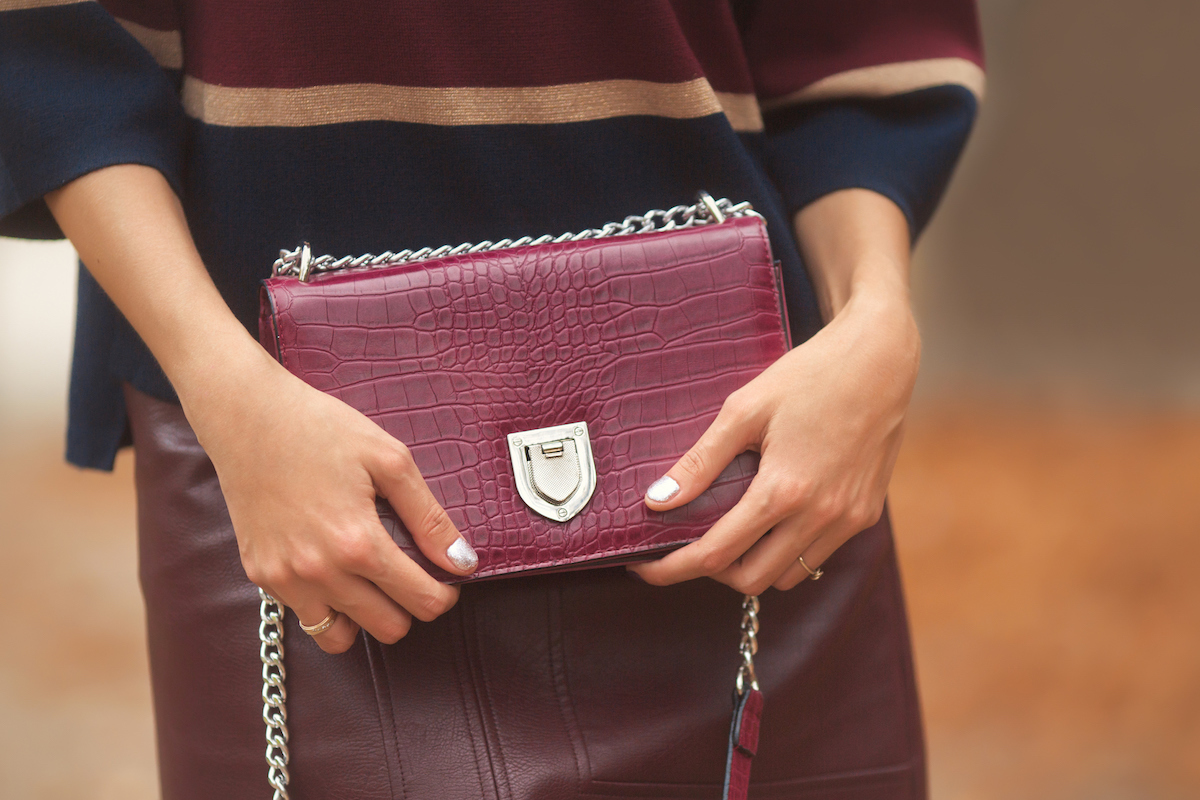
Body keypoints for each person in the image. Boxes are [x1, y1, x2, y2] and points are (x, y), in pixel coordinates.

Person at [0, 2, 984, 798]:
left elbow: (858, 31)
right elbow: (47, 38)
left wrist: (877, 318)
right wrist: (221, 383)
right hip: (295, 465)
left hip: (753, 461)